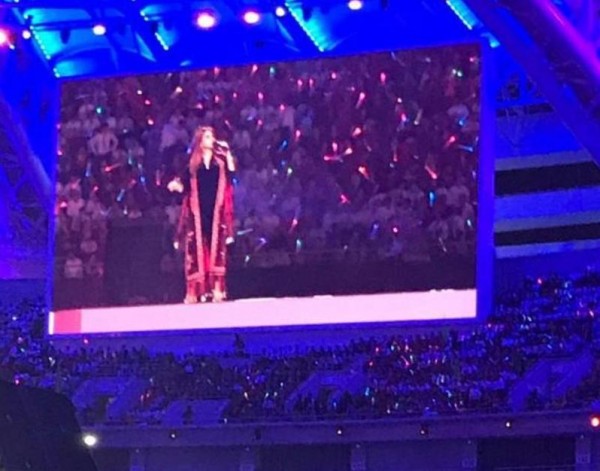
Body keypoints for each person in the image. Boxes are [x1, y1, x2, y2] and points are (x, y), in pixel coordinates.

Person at [173, 126, 236, 304]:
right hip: (198, 212)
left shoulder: (220, 162)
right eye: (208, 137)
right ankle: (195, 290)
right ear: (200, 141)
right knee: (196, 251)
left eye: (212, 136)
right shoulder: (193, 164)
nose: (211, 139)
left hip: (216, 210)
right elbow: (184, 185)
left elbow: (231, 173)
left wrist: (227, 152)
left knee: (217, 250)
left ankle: (217, 289)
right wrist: (176, 186)